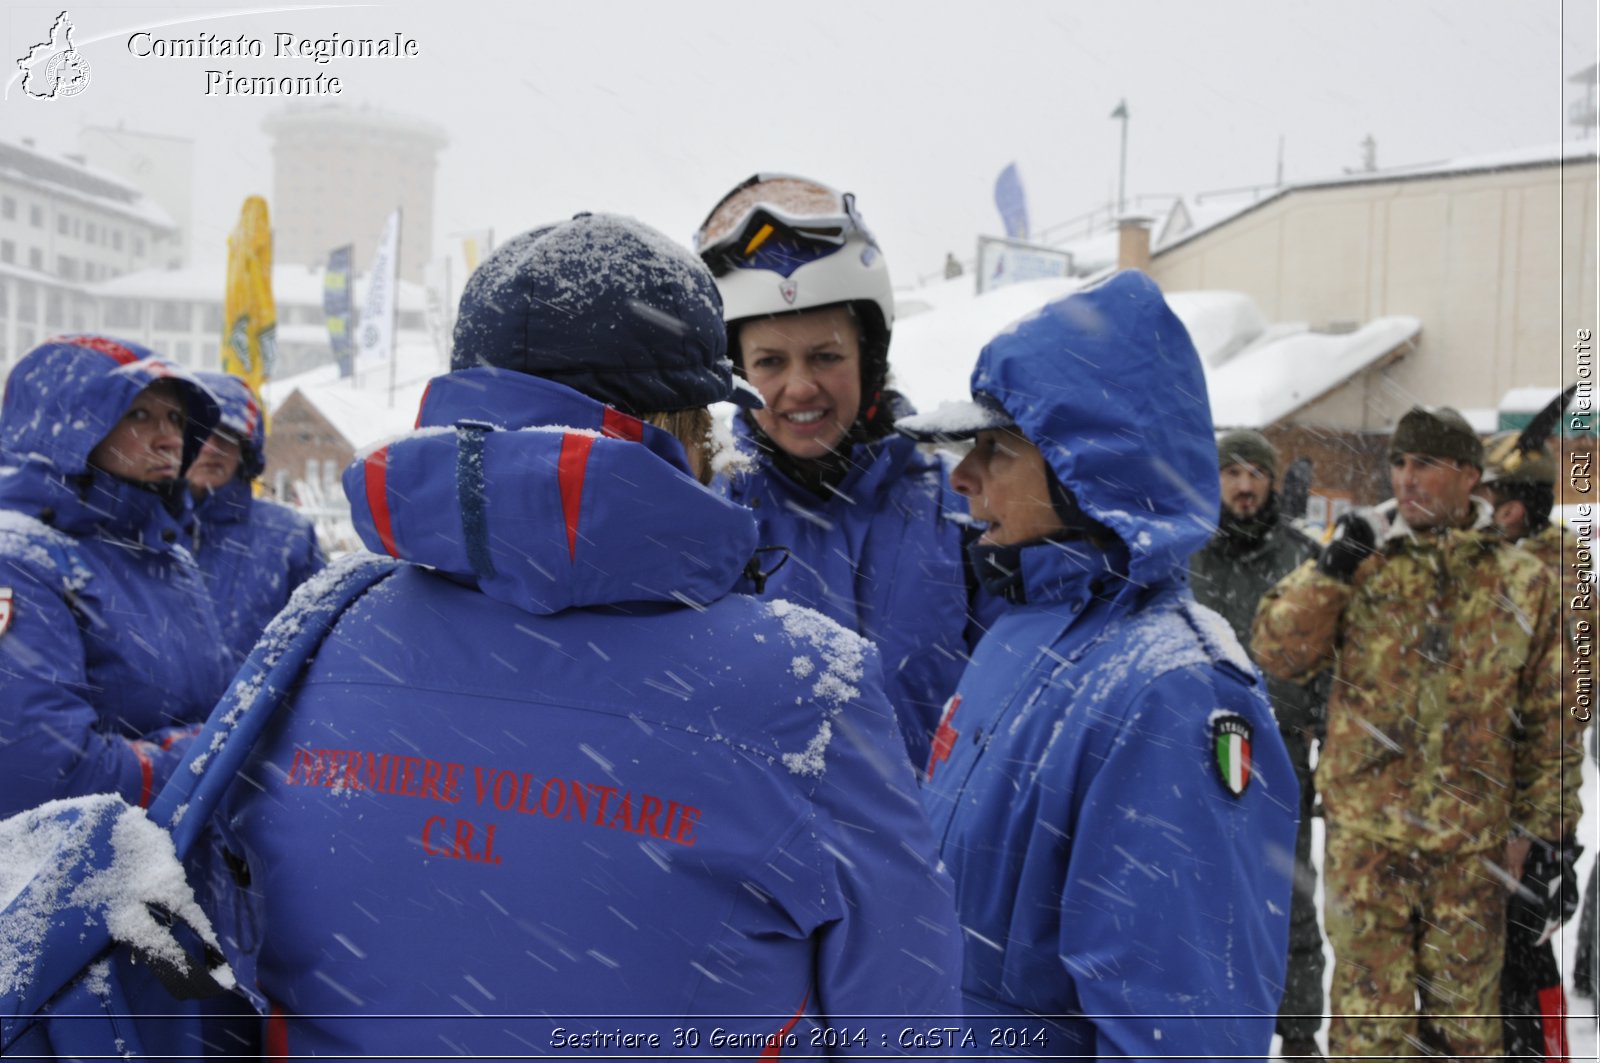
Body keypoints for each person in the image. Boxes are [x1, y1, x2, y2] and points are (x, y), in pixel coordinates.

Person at [201, 213, 964, 1056]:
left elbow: (227, 948)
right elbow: (906, 1023)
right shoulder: (809, 687)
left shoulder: (319, 626)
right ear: (694, 423)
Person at [897, 270, 1297, 1058]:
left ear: (1088, 468)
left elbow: (1180, 1036)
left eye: (995, 447)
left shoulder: (1173, 692)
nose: (962, 476)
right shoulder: (1022, 633)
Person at [1253, 405, 1583, 1059]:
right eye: (1399, 462)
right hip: (1369, 846)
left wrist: (1547, 838)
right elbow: (1277, 649)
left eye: (1425, 463)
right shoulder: (1362, 560)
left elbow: (1552, 720)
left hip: (1473, 849)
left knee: (1463, 1029)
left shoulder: (1524, 581)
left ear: (1468, 475)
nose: (1406, 478)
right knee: (1370, 1028)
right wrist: (1332, 570)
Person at [694, 173, 983, 772]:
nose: (800, 386)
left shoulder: (965, 514)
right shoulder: (703, 520)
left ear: (870, 360)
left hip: (928, 860)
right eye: (770, 361)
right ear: (737, 371)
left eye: (826, 356)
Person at [0, 334, 230, 817]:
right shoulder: (18, 559)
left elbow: (215, 710)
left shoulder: (164, 555)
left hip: (172, 870)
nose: (170, 438)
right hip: (75, 880)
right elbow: (44, 776)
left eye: (174, 418)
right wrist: (215, 757)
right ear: (65, 428)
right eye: (138, 415)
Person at [1188, 429, 1329, 1059]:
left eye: (1256, 474)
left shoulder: (1303, 560)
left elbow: (1332, 657)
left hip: (1280, 756)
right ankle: (1212, 1032)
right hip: (1193, 758)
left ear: (1273, 481)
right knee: (1204, 897)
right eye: (1231, 473)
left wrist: (1321, 714)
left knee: (1291, 900)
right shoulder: (1185, 556)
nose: (1244, 486)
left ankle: (1298, 1036)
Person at [1477, 438, 1587, 1060]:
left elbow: (1571, 698)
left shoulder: (1564, 568)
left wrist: (1541, 826)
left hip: (1539, 790)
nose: (1493, 509)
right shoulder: (1490, 558)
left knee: (1529, 947)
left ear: (1528, 503)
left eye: (1503, 498)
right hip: (1483, 785)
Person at [187, 371, 324, 668]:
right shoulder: (139, 529)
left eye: (226, 435)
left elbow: (322, 643)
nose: (211, 449)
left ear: (245, 450)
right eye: (199, 434)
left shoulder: (289, 537)